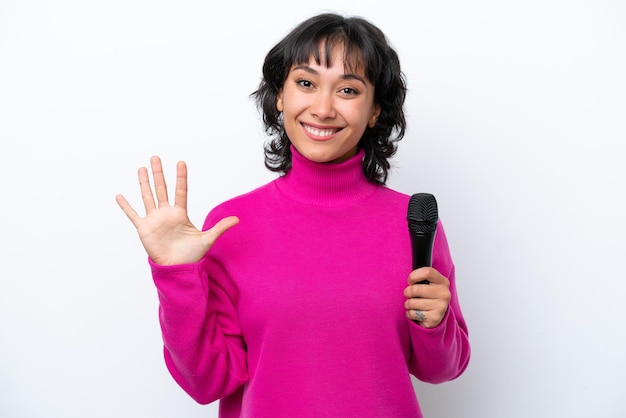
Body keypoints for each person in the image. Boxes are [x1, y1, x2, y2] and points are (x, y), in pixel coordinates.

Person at [116, 12, 470, 418]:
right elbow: (205, 382)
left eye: (349, 90)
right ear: (280, 96)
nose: (322, 108)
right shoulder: (231, 225)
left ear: (375, 111)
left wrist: (435, 322)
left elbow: (443, 369)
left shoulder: (414, 221)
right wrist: (175, 275)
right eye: (306, 83)